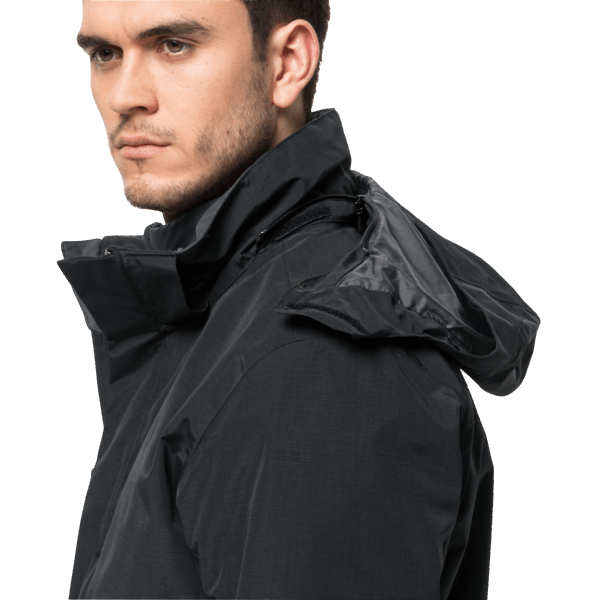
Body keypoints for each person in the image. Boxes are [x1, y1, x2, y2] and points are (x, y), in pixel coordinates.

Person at [60, 1, 540, 598]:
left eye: (173, 45)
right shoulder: (220, 305)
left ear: (288, 62)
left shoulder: (319, 362)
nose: (125, 95)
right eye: (105, 53)